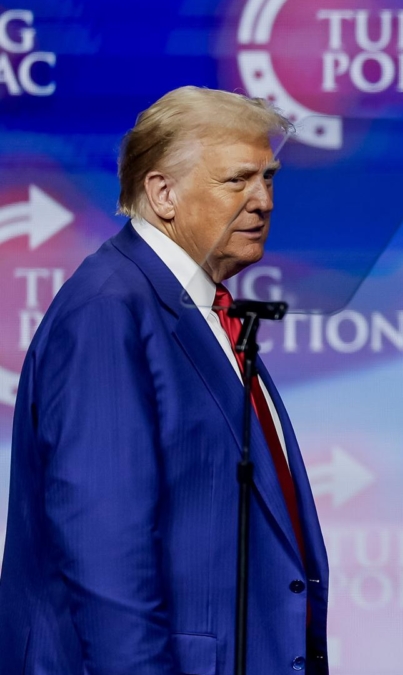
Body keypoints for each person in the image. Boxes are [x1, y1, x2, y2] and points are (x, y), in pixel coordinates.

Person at [0, 87, 329, 674]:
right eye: (238, 181)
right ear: (163, 193)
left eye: (269, 178)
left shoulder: (194, 309)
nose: (262, 201)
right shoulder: (109, 310)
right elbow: (104, 549)